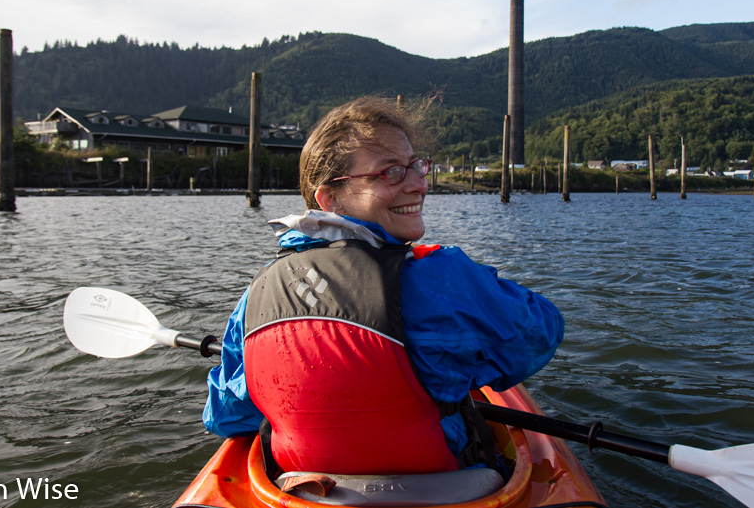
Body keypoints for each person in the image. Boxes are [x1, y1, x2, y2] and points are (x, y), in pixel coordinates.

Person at [203, 96, 564, 475]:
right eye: (391, 173)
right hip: (446, 489)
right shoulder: (440, 278)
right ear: (331, 199)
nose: (418, 186)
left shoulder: (259, 293)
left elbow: (226, 417)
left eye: (416, 167)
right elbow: (542, 331)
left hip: (309, 491)